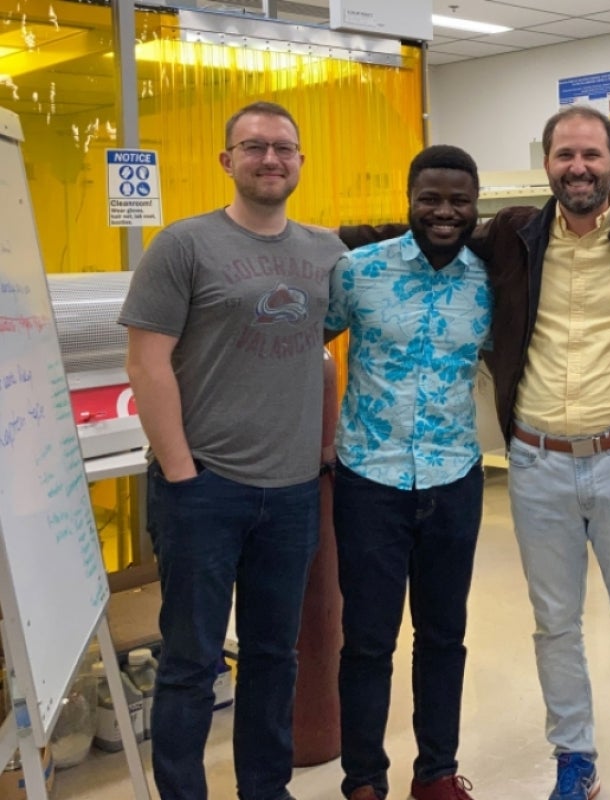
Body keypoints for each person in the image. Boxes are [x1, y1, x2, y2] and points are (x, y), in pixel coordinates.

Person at [339, 106, 610, 800]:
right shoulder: (514, 234)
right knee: (555, 624)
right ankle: (574, 760)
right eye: (564, 155)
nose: (578, 167)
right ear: (547, 163)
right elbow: (423, 226)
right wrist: (311, 243)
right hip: (538, 461)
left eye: (592, 155)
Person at [119, 101, 346, 800]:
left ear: (302, 161)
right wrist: (183, 474)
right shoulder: (182, 245)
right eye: (253, 147)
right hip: (204, 490)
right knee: (190, 661)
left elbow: (325, 354)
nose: (270, 158)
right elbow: (146, 363)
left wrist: (324, 449)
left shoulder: (325, 251)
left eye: (283, 147)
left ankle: (264, 789)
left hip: (291, 494)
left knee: (275, 657)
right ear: (227, 161)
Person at [325, 145, 490, 800]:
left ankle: (437, 774)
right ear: (409, 199)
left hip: (455, 479)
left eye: (458, 200)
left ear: (475, 205)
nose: (444, 212)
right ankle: (364, 780)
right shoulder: (357, 271)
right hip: (371, 480)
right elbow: (306, 345)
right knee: (367, 640)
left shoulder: (488, 281)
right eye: (431, 198)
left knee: (444, 635)